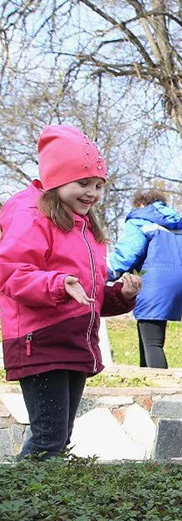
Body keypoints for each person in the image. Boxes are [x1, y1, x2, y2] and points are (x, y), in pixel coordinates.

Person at [0, 124, 142, 459]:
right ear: (56, 178)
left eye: (98, 185)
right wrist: (58, 283)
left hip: (75, 340)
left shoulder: (85, 227)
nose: (92, 193)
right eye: (83, 183)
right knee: (48, 439)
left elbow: (86, 295)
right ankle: (19, 507)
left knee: (59, 438)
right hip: (41, 340)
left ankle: (44, 506)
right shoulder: (31, 214)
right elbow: (12, 275)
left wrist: (122, 294)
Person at [107, 188, 182, 369]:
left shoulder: (140, 221)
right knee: (149, 331)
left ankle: (163, 390)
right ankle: (146, 378)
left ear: (141, 204)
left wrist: (106, 273)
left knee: (153, 343)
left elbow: (129, 252)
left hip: (153, 283)